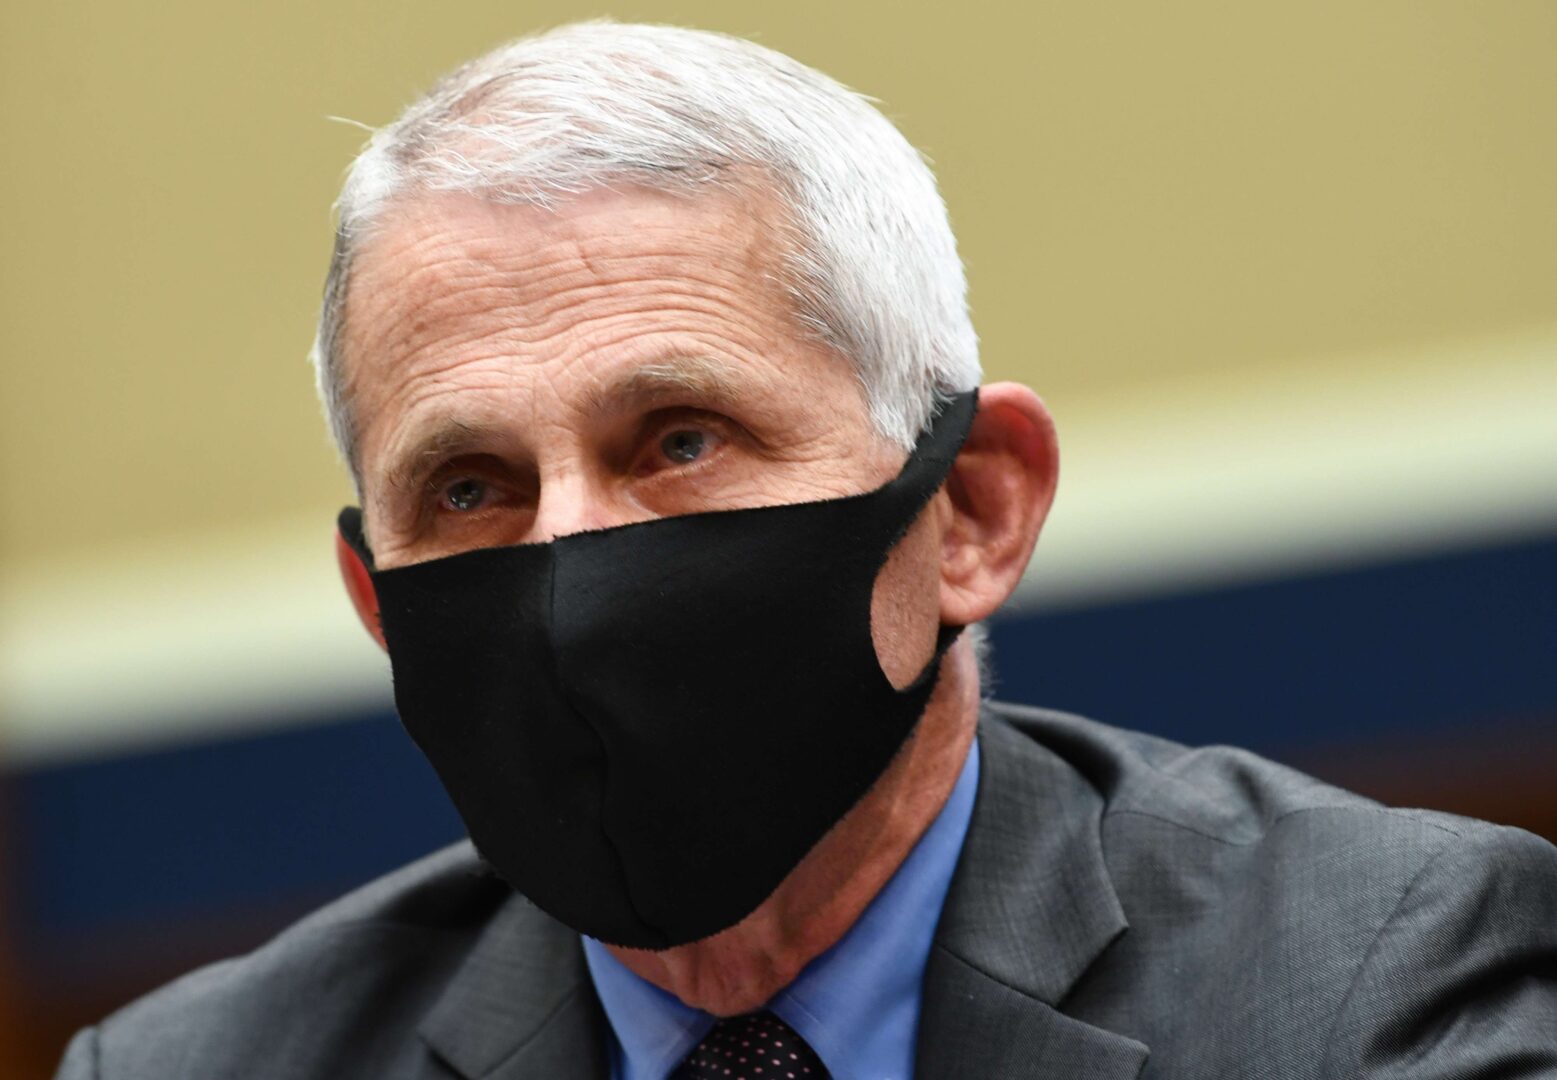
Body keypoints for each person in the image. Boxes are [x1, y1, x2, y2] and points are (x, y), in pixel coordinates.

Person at [57, 21, 1556, 1080]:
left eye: (680, 439)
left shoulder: (1374, 986)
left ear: (969, 508)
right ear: (379, 609)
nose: (570, 554)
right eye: (467, 489)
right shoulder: (195, 1066)